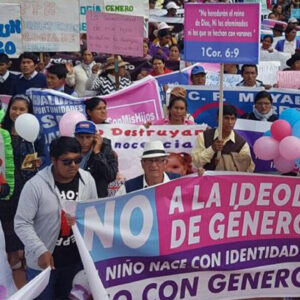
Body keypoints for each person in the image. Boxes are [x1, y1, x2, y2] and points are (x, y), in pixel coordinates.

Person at [14, 137, 98, 300]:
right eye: (67, 162)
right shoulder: (35, 186)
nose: (73, 166)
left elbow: (93, 213)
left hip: (75, 262)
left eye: (77, 160)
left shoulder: (87, 180)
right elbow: (22, 223)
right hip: (43, 264)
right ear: (53, 160)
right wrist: (40, 250)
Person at [1, 94, 46, 288]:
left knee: (27, 222)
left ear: (29, 113)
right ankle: (13, 260)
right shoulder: (1, 131)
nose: (17, 113)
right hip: (5, 188)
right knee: (8, 224)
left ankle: (27, 256)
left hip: (28, 186)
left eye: (22, 109)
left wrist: (40, 161)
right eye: (14, 108)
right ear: (8, 109)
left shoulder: (36, 132)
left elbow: (44, 155)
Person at [192, 104, 255, 172]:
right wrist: (212, 149)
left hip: (231, 181)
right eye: (226, 118)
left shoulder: (241, 143)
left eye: (232, 119)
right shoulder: (203, 136)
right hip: (207, 180)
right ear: (218, 119)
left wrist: (225, 162)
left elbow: (249, 168)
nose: (230, 122)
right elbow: (196, 162)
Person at [115, 140, 180, 195]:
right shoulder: (128, 188)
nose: (154, 165)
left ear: (165, 163)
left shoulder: (180, 182)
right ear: (142, 164)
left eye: (158, 160)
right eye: (149, 160)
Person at [74, 121, 118, 198]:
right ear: (75, 137)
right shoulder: (70, 148)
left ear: (95, 137)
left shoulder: (105, 148)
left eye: (88, 137)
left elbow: (111, 175)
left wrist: (98, 153)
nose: (84, 142)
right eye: (80, 137)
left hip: (97, 197)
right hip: (74, 194)